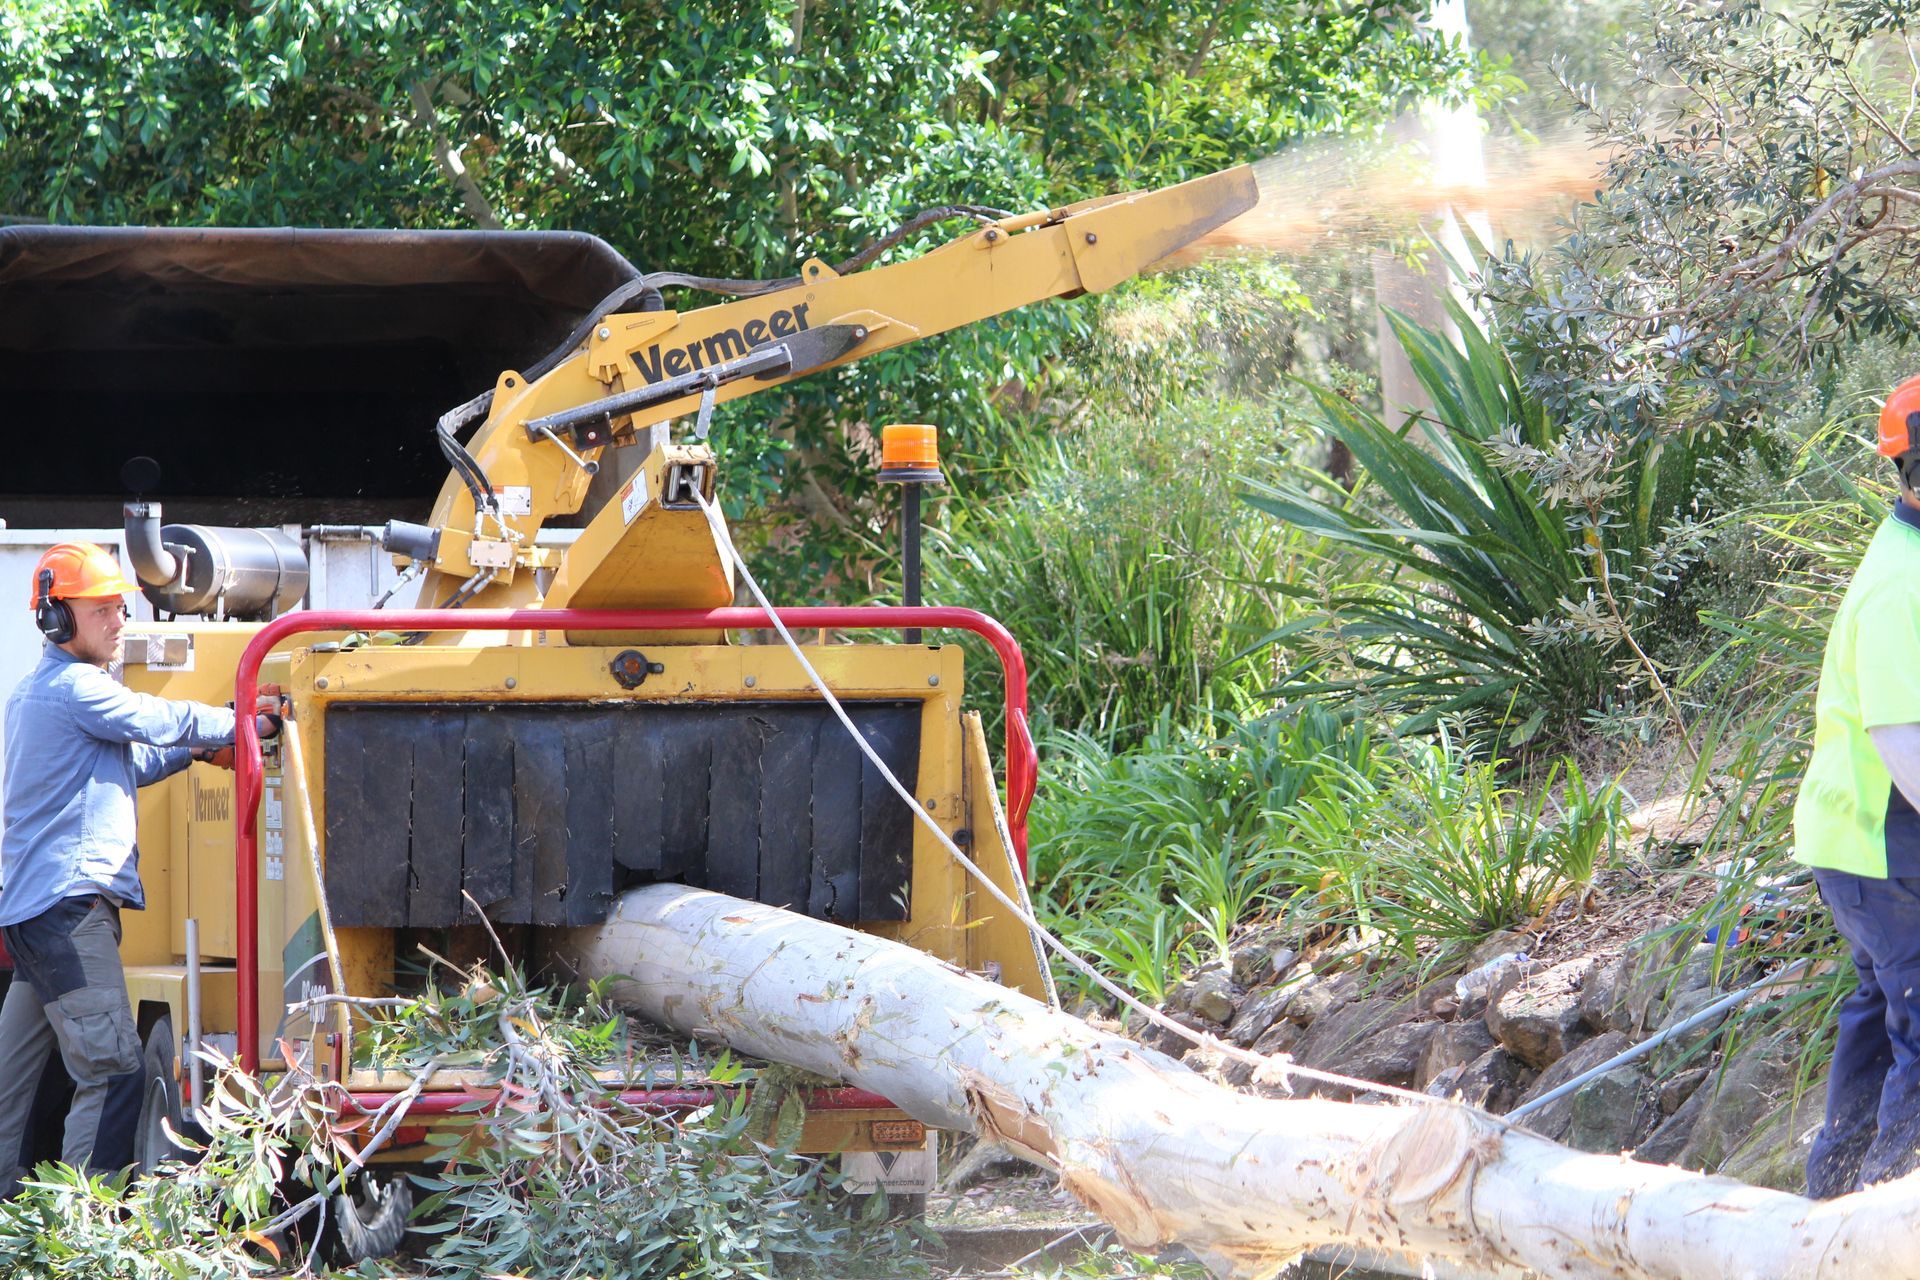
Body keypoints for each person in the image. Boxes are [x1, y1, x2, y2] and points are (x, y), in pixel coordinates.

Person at [0, 542, 275, 1194]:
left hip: (37, 916)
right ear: (57, 620)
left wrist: (201, 753)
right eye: (102, 610)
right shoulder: (74, 690)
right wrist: (241, 723)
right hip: (70, 913)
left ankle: (16, 1230)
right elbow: (157, 719)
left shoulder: (39, 697)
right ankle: (81, 1228)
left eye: (120, 607)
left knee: (11, 1078)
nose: (119, 621)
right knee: (113, 1071)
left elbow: (133, 766)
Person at [1795, 374, 1920, 1197]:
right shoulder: (1900, 587)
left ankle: (1831, 1200)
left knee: (1880, 1013)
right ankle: (1890, 1215)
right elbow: (1900, 735)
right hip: (1880, 841)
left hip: (1861, 840)